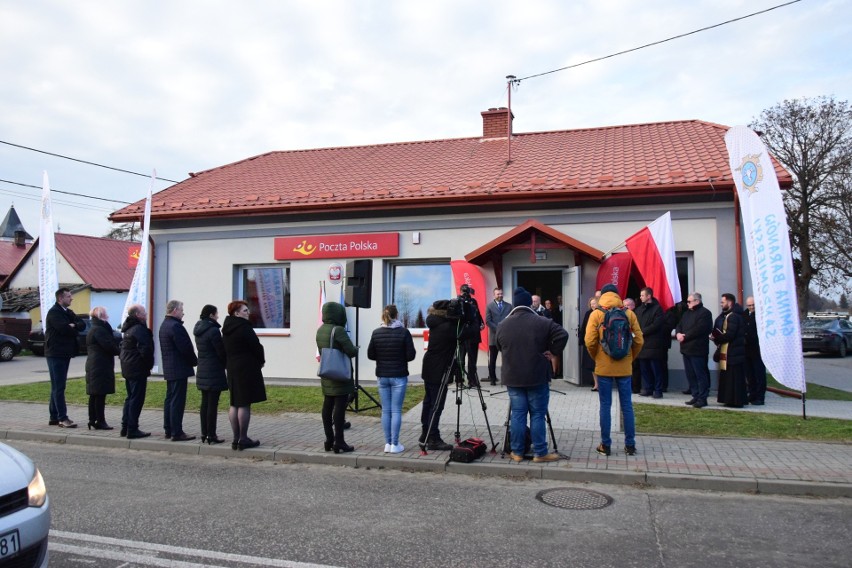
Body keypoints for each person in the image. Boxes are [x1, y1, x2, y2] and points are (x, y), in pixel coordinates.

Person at [497, 287, 568, 463]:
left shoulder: (503, 325)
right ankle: (540, 453)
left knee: (518, 414)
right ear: (530, 303)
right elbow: (563, 334)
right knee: (537, 414)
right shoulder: (542, 322)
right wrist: (552, 351)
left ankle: (517, 452)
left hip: (513, 376)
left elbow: (499, 346)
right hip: (537, 376)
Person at [585, 283, 644, 457]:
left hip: (603, 368)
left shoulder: (596, 314)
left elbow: (589, 341)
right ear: (618, 296)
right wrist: (629, 358)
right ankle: (630, 445)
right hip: (625, 368)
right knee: (627, 406)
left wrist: (597, 357)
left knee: (605, 405)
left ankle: (605, 445)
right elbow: (639, 340)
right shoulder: (629, 313)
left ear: (602, 296)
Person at [419, 299, 472, 451]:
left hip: (430, 366)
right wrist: (471, 317)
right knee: (436, 404)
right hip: (439, 369)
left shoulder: (436, 322)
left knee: (428, 402)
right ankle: (433, 438)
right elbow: (469, 332)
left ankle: (425, 433)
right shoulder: (447, 327)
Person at [367, 305, 416, 453]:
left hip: (382, 376)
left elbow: (370, 355)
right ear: (397, 315)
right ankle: (395, 444)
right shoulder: (404, 332)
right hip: (399, 375)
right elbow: (410, 355)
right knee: (396, 411)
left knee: (386, 411)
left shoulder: (376, 333)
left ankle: (387, 444)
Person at [222, 301, 267, 450]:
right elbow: (256, 346)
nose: (248, 313)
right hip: (246, 368)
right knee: (244, 403)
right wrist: (261, 361)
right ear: (237, 313)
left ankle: (236, 438)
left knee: (234, 402)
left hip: (232, 367)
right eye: (245, 310)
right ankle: (243, 438)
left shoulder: (227, 328)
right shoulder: (244, 327)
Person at [316, 301, 357, 453]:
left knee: (327, 406)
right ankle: (339, 441)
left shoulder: (320, 330)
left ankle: (329, 439)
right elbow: (351, 351)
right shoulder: (338, 330)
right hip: (340, 374)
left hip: (327, 372)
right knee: (339, 409)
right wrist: (356, 348)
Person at [45, 287, 85, 428]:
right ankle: (62, 418)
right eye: (68, 296)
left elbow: (82, 324)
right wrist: (72, 327)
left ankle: (54, 417)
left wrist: (73, 325)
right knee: (59, 387)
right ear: (60, 298)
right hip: (56, 353)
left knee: (57, 386)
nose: (71, 298)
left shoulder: (68, 312)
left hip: (64, 353)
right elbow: (64, 329)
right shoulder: (54, 313)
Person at [159, 300, 198, 441]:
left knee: (170, 399)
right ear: (175, 310)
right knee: (177, 401)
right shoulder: (175, 326)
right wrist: (194, 361)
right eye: (181, 310)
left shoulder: (164, 325)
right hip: (178, 368)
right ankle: (176, 431)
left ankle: (168, 429)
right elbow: (185, 347)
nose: (183, 313)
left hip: (170, 368)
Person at [194, 304, 228, 444]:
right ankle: (211, 435)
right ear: (211, 315)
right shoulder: (213, 331)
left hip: (202, 369)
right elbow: (220, 351)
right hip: (214, 370)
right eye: (216, 313)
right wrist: (226, 363)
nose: (218, 316)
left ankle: (204, 433)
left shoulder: (199, 329)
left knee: (205, 403)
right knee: (212, 405)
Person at [120, 304, 153, 439]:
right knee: (136, 399)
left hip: (128, 367)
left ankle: (125, 426)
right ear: (138, 315)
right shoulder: (139, 329)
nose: (146, 314)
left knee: (130, 397)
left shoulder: (128, 329)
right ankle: (132, 429)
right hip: (137, 368)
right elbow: (146, 350)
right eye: (144, 312)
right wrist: (148, 365)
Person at [85, 306, 120, 430]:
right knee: (99, 394)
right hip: (99, 365)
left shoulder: (95, 328)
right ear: (100, 316)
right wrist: (120, 351)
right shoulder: (99, 330)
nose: (108, 316)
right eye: (106, 314)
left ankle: (93, 420)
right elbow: (109, 346)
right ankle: (99, 420)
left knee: (95, 394)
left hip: (95, 365)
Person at [676, 292, 713, 408]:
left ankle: (702, 398)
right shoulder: (686, 313)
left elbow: (700, 329)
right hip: (686, 349)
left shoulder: (705, 313)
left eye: (689, 301)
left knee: (700, 374)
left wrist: (685, 336)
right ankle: (695, 395)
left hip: (698, 349)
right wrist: (678, 333)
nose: (687, 304)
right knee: (690, 374)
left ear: (697, 301)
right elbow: (679, 325)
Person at [713, 293, 748, 408]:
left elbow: (729, 335)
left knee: (734, 378)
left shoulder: (733, 316)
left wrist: (716, 337)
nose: (721, 304)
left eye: (723, 302)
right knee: (730, 378)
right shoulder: (731, 315)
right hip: (731, 352)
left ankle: (735, 401)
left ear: (729, 302)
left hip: (733, 352)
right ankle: (730, 399)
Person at [635, 287, 666, 399]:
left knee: (656, 369)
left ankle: (658, 390)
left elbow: (657, 324)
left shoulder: (657, 309)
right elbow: (635, 323)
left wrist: (642, 332)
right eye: (640, 295)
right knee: (644, 368)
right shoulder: (639, 310)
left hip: (653, 344)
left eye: (643, 295)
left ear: (649, 296)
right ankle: (647, 388)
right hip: (642, 345)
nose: (641, 297)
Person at [457, 284, 484, 387]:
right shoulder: (458, 301)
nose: (466, 294)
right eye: (464, 292)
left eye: (467, 292)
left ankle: (472, 380)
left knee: (472, 359)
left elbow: (477, 314)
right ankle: (459, 380)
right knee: (461, 359)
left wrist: (481, 323)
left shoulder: (473, 302)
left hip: (473, 335)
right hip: (462, 335)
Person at [485, 287, 512, 385]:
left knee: (507, 359)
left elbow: (512, 319)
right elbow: (488, 321)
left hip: (506, 337)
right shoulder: (489, 306)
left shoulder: (509, 306)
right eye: (498, 294)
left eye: (501, 294)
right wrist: (498, 329)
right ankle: (492, 379)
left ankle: (507, 378)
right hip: (494, 337)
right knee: (493, 359)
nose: (500, 295)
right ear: (494, 295)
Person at [743, 296, 767, 405]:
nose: (751, 307)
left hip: (758, 350)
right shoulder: (744, 315)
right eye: (749, 305)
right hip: (747, 350)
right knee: (750, 375)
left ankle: (760, 397)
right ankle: (752, 394)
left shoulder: (762, 316)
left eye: (753, 305)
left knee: (759, 375)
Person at [580, 296, 599, 391]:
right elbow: (583, 327)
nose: (592, 305)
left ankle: (600, 384)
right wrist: (582, 341)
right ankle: (596, 384)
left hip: (599, 344)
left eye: (594, 303)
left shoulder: (601, 314)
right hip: (589, 342)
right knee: (591, 365)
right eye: (591, 304)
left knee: (598, 364)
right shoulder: (588, 313)